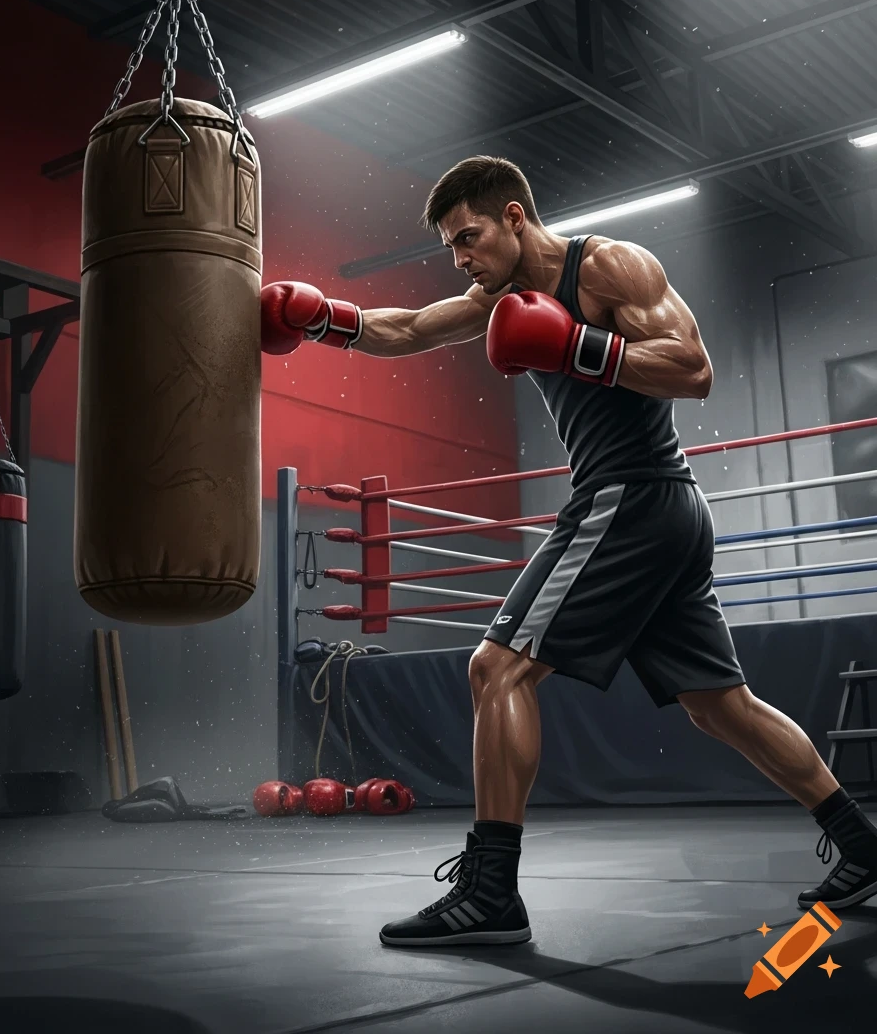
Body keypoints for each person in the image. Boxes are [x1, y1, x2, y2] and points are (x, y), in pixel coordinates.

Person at [261, 155, 877, 944]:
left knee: (497, 666)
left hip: (634, 495)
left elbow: (695, 371)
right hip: (661, 512)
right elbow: (408, 329)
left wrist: (580, 347)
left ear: (515, 216)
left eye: (470, 237)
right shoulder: (494, 297)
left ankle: (491, 892)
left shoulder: (610, 265)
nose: (462, 259)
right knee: (720, 706)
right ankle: (864, 844)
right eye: (452, 246)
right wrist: (318, 317)